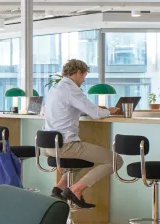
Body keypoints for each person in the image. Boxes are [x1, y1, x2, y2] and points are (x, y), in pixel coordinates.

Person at [43, 59, 121, 208]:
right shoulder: (71, 89)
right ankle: (75, 190)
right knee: (115, 161)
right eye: (84, 75)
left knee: (80, 158)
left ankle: (60, 188)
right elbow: (96, 114)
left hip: (49, 145)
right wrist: (109, 110)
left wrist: (95, 110)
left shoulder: (55, 88)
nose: (84, 80)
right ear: (78, 72)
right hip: (65, 145)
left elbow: (75, 109)